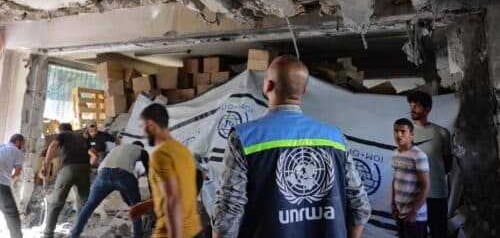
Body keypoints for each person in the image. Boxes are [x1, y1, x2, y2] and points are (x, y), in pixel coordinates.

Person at [212, 55, 371, 238]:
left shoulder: (245, 138)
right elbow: (360, 206)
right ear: (304, 91)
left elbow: (228, 213)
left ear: (268, 86)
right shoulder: (335, 138)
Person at [129, 103, 203, 238]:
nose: (143, 133)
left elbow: (172, 199)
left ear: (151, 125)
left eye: (142, 126)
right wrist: (147, 205)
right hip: (194, 230)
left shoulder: (160, 155)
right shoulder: (183, 151)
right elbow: (180, 191)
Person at [71, 141, 149, 238]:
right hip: (123, 174)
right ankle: (138, 236)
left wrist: (127, 199)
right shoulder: (141, 150)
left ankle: (74, 235)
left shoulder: (117, 148)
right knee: (137, 208)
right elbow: (150, 173)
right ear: (140, 147)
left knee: (89, 206)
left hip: (102, 173)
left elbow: (115, 173)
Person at [408, 91, 452, 237]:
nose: (412, 108)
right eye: (411, 104)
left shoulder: (442, 133)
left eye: (417, 105)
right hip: (412, 196)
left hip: (436, 195)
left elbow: (448, 165)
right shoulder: (405, 132)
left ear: (427, 109)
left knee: (439, 233)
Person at [42, 123, 95, 238]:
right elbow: (94, 155)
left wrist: (45, 166)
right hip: (84, 169)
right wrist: (88, 166)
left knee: (56, 202)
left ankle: (48, 234)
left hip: (68, 168)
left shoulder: (62, 135)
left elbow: (52, 146)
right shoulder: (81, 136)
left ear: (60, 130)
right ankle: (78, 232)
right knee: (83, 202)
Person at [392, 118, 430, 238]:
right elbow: (395, 179)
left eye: (403, 131)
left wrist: (414, 212)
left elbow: (426, 185)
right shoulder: (395, 153)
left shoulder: (419, 155)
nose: (399, 135)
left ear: (412, 135)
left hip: (415, 215)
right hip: (399, 212)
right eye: (396, 131)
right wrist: (393, 203)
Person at [0, 134, 25, 238]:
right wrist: (11, 181)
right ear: (18, 142)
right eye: (23, 143)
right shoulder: (17, 152)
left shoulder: (1, 146)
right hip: (1, 184)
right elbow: (17, 173)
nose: (24, 146)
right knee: (12, 214)